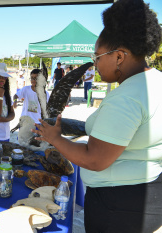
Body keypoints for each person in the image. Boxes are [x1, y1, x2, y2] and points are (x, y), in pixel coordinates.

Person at [33, 0, 162, 232]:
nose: (95, 63)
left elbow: (95, 159)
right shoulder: (155, 81)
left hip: (118, 207)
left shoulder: (127, 96)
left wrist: (55, 138)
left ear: (119, 56)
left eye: (98, 56)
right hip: (147, 194)